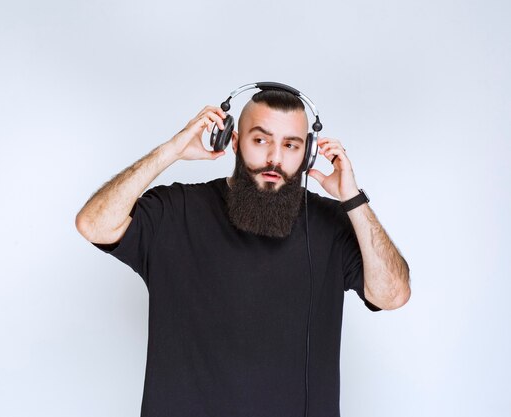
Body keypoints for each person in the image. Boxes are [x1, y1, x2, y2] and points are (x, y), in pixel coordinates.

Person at [75, 88, 410, 417]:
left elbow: (393, 294)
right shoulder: (176, 211)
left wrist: (352, 199)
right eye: (260, 140)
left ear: (307, 154)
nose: (275, 159)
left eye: (291, 145)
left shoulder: (331, 225)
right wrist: (171, 150)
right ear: (233, 142)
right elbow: (94, 224)